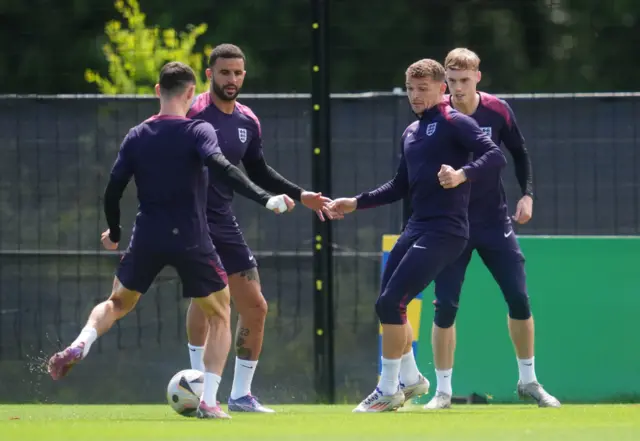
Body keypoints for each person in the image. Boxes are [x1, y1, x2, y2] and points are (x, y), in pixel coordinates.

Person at [46, 61, 294, 420]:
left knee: (116, 302)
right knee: (221, 313)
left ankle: (81, 342)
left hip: (147, 233)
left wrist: (114, 232)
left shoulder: (137, 134)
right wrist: (265, 197)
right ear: (192, 93)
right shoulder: (198, 130)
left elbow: (113, 190)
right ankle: (209, 401)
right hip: (191, 235)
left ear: (157, 91)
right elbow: (223, 167)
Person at [328, 58, 507, 413]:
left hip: (447, 230)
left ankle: (387, 388)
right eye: (410, 89)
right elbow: (399, 185)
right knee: (387, 302)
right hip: (416, 226)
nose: (415, 95)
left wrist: (461, 174)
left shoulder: (456, 122)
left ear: (443, 89)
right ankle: (411, 380)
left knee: (391, 302)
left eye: (423, 89)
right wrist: (355, 203)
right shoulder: (410, 131)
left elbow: (495, 155)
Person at [185, 43, 332, 413]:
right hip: (191, 220)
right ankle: (197, 385)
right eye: (224, 73)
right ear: (209, 75)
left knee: (256, 307)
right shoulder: (193, 113)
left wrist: (301, 195)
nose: (231, 79)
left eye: (237, 73)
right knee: (208, 302)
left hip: (225, 220)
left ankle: (240, 395)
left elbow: (259, 170)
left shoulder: (247, 120)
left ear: (244, 75)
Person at [420, 48, 560, 409]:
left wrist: (527, 196)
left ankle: (529, 382)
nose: (458, 88)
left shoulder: (497, 110)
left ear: (478, 77)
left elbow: (519, 153)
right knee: (445, 306)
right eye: (451, 82)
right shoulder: (437, 117)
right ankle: (443, 391)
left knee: (518, 297)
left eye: (464, 80)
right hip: (451, 226)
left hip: (494, 222)